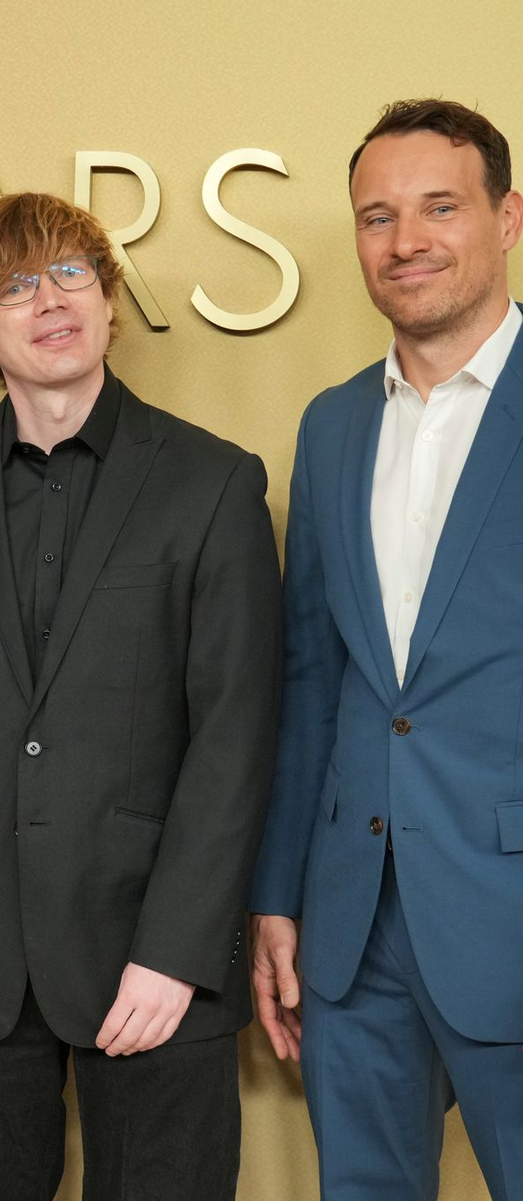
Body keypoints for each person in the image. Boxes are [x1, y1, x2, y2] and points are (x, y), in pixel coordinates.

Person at [0, 191, 282, 1201]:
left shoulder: (215, 484)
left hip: (155, 962)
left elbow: (236, 734)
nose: (49, 300)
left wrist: (177, 954)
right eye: (14, 285)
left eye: (70, 273)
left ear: (107, 298)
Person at [250, 98, 523, 1201]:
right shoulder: (330, 426)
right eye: (377, 215)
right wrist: (278, 894)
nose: (406, 240)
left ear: (508, 219)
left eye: (439, 207)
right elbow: (314, 677)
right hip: (353, 925)